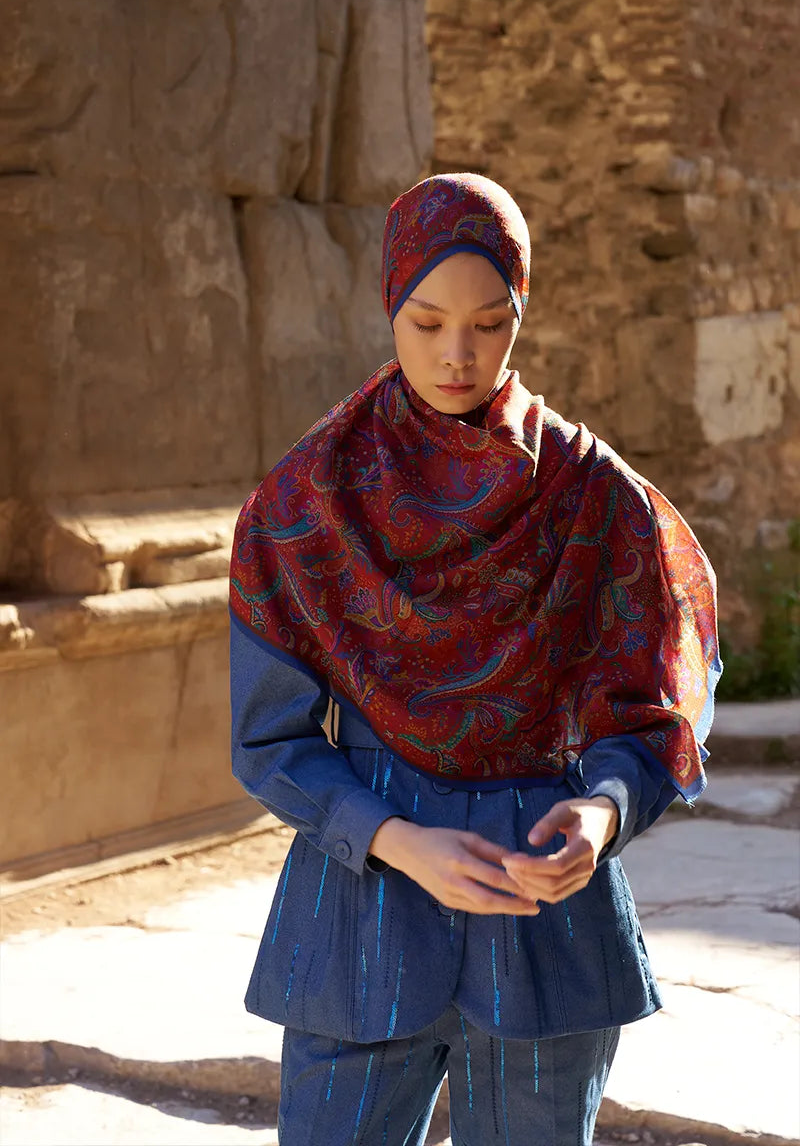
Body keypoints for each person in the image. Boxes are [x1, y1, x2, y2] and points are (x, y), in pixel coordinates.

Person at [229, 173, 721, 1145]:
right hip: (359, 918)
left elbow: (652, 708)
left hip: (545, 918)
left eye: (490, 323)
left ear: (521, 313)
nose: (457, 354)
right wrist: (397, 840)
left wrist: (602, 811)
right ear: (390, 305)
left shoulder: (591, 494)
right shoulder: (308, 500)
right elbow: (269, 741)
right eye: (427, 322)